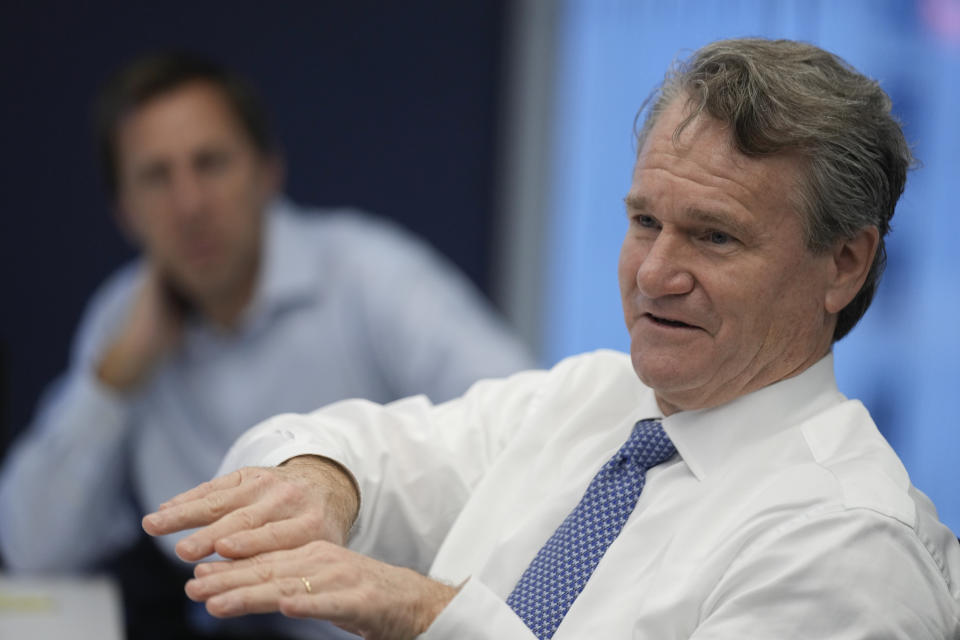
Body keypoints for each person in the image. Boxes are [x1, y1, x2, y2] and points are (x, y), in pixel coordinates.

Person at [143, 38, 960, 639]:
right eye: (645, 222)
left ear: (844, 264)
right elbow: (384, 450)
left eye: (714, 237)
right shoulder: (594, 398)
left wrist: (430, 615)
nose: (653, 274)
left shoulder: (847, 543)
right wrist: (323, 485)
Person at [0, 53, 533, 637]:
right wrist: (114, 383)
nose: (189, 204)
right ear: (125, 211)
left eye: (211, 164)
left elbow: (529, 436)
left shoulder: (370, 276)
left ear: (267, 171)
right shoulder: (125, 319)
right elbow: (32, 548)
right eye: (156, 176)